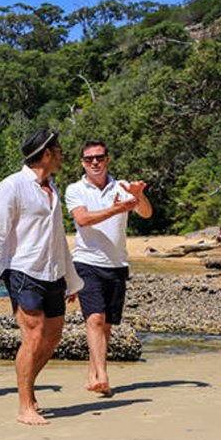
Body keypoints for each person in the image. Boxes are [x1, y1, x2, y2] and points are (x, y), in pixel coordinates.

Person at [0, 128, 84, 426]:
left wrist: (72, 279)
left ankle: (27, 386)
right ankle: (25, 405)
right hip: (23, 270)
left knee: (52, 338)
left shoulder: (52, 188)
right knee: (34, 335)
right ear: (47, 154)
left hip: (53, 272)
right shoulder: (11, 186)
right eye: (59, 150)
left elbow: (58, 237)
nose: (63, 154)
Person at [65, 140, 152, 397]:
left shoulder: (122, 187)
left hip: (116, 264)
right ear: (82, 162)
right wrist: (116, 208)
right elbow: (82, 219)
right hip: (86, 261)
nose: (95, 162)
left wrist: (138, 195)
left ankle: (93, 375)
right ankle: (103, 375)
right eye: (89, 158)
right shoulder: (75, 189)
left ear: (107, 160)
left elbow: (146, 214)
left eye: (100, 157)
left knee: (107, 326)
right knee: (95, 318)